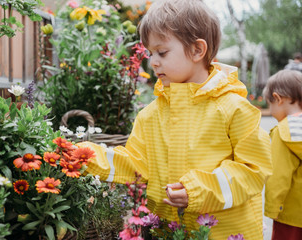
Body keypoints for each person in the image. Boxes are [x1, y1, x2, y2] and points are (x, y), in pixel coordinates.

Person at [78, 0, 272, 239]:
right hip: (166, 231)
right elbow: (135, 164)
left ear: (197, 50)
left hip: (224, 233)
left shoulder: (234, 108)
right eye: (150, 53)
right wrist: (85, 156)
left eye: (162, 52)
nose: (153, 61)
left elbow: (253, 169)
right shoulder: (150, 115)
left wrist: (198, 190)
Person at [263, 69, 302, 239]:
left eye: (269, 105)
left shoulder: (283, 132)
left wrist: (272, 209)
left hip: (291, 216)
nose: (271, 111)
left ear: (278, 99)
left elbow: (278, 175)